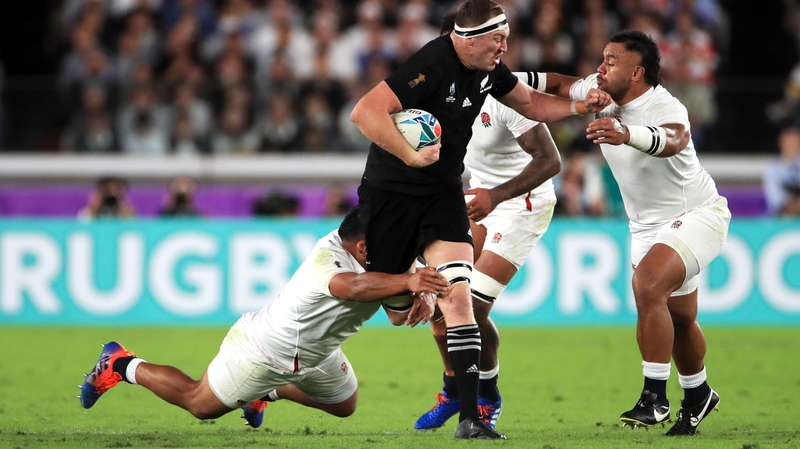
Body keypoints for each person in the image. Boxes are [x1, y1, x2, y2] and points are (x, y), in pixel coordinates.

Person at [349, 0, 611, 439]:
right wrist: (413, 155)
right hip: (391, 197)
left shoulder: (489, 71)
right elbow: (364, 112)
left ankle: (471, 417)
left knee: (460, 299)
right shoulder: (430, 63)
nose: (505, 45)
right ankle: (418, 298)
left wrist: (580, 108)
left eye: (506, 36)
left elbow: (530, 101)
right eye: (497, 37)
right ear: (466, 38)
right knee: (398, 314)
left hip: (445, 194)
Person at [78, 207, 449, 428]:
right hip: (264, 350)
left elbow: (399, 316)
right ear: (364, 247)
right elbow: (351, 288)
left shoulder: (379, 255)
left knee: (345, 406)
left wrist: (425, 288)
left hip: (317, 352)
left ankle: (264, 394)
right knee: (198, 403)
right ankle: (121, 363)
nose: (400, 252)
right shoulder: (327, 259)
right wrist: (408, 280)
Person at [536, 30, 731, 436]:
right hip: (645, 225)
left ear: (637, 72)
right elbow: (555, 83)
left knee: (647, 285)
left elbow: (674, 140)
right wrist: (499, 76)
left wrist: (628, 134)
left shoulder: (664, 104)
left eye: (611, 60)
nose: (600, 67)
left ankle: (654, 397)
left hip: (698, 213)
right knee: (679, 318)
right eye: (602, 58)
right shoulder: (599, 91)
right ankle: (698, 394)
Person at [412, 12, 562, 433]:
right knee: (442, 304)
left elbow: (551, 160)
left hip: (520, 203)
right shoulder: (435, 91)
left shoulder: (505, 95)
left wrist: (495, 195)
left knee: (471, 308)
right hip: (476, 196)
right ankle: (454, 389)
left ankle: (486, 398)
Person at [763, 125, 800, 216]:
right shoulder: (773, 168)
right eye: (788, 143)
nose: (791, 146)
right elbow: (775, 200)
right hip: (781, 218)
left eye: (794, 142)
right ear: (781, 143)